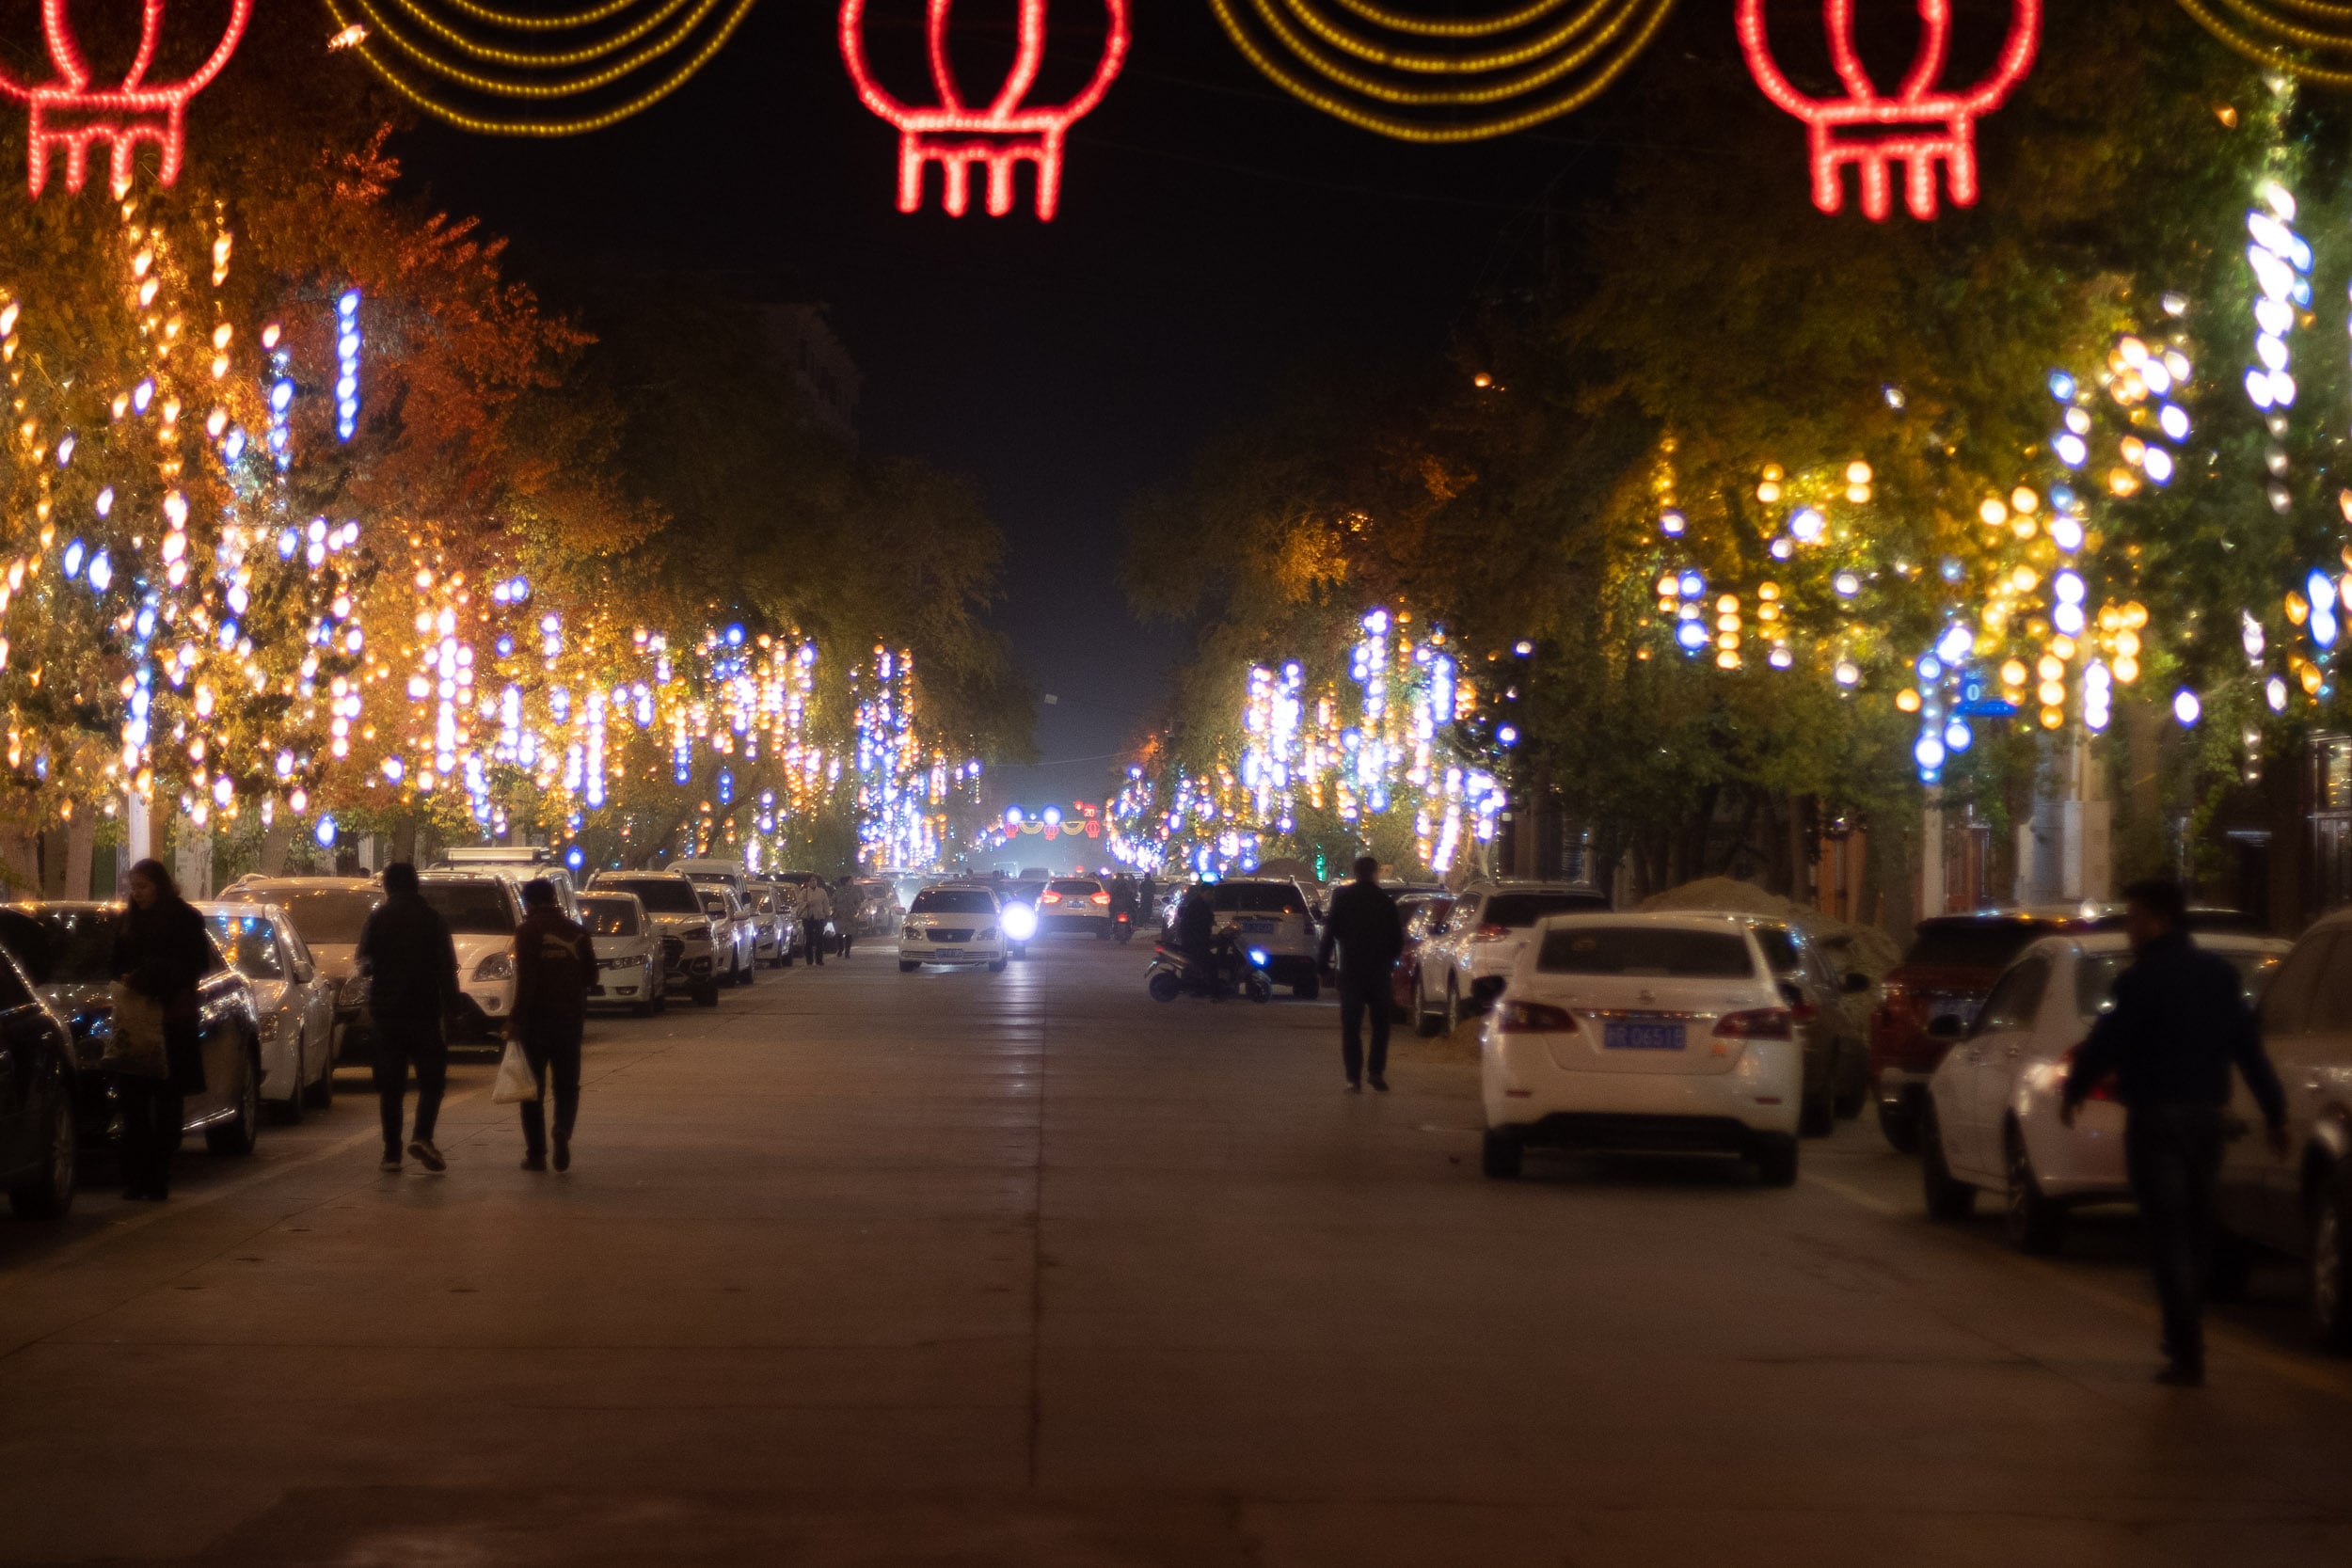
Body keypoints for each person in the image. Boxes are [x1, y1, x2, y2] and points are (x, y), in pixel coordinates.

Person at [2061, 877, 2289, 1387]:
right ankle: (2188, 1334)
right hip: (2207, 1119)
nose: (2129, 930)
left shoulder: (2141, 981)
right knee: (2194, 1226)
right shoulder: (2218, 978)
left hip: (2156, 1120)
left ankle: (2185, 1347)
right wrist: (2275, 1113)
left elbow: (2108, 1040)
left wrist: (2076, 1088)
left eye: (2136, 918)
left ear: (2160, 920)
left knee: (2166, 1233)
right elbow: (2247, 1049)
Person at [110, 859, 211, 1201]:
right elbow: (114, 963)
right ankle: (138, 1176)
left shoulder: (184, 920)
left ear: (160, 886)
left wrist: (153, 978)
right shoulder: (128, 923)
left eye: (143, 887)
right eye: (133, 888)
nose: (137, 895)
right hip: (136, 1023)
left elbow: (195, 964)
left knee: (167, 1103)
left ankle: (158, 1174)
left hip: (171, 1022)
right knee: (134, 1103)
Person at [357, 862, 460, 1174]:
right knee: (432, 1081)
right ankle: (423, 1136)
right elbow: (446, 968)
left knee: (391, 1086)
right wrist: (452, 1010)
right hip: (424, 1013)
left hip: (386, 1015)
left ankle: (391, 1153)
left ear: (388, 886)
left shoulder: (378, 918)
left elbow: (364, 963)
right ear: (416, 885)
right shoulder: (433, 920)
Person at [511, 878, 594, 1172]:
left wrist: (515, 1020)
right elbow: (592, 977)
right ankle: (562, 1130)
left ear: (528, 903)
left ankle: (536, 1154)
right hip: (569, 1020)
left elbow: (527, 981)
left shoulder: (527, 932)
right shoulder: (577, 932)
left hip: (536, 1022)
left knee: (532, 1089)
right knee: (567, 1085)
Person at [1318, 855, 1406, 1093]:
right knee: (1380, 1025)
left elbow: (1329, 935)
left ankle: (1353, 1078)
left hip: (1351, 972)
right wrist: (1389, 960)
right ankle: (1375, 1071)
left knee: (1351, 1025)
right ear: (1375, 873)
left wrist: (1323, 966)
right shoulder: (1384, 902)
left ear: (1356, 873)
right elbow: (1397, 940)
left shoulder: (1345, 900)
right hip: (1378, 971)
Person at [1174, 882, 1216, 980]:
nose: (1211, 896)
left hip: (1197, 939)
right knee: (1208, 961)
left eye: (1212, 894)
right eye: (1209, 893)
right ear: (1202, 893)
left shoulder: (1204, 904)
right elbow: (1198, 925)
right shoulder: (1198, 906)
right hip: (1194, 941)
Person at [802, 879, 832, 966]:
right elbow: (800, 903)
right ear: (808, 882)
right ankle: (809, 960)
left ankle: (819, 959)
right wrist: (807, 904)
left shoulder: (822, 892)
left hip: (819, 917)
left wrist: (827, 915)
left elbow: (826, 904)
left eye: (814, 880)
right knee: (809, 939)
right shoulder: (804, 892)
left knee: (819, 939)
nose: (813, 882)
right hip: (808, 918)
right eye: (811, 881)